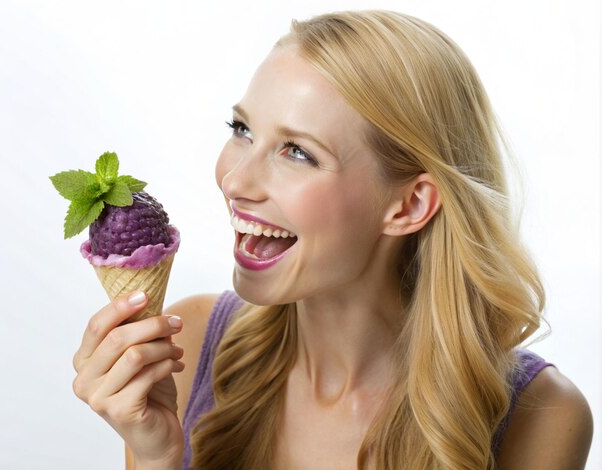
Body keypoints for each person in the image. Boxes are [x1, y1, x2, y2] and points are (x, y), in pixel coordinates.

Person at [72, 10, 593, 470]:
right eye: (242, 129)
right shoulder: (185, 349)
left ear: (409, 205)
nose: (234, 181)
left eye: (297, 152)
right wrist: (154, 456)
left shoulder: (541, 415)